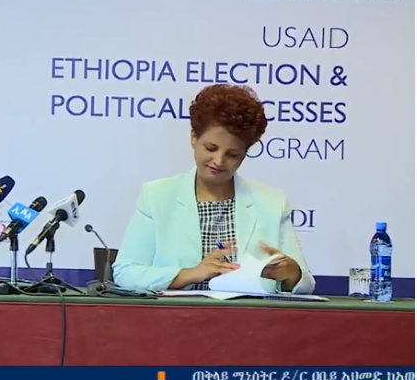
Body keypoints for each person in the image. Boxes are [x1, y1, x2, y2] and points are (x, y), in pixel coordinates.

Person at [112, 84, 315, 294]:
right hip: (176, 314)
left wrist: (292, 274)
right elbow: (126, 272)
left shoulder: (272, 202)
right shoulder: (157, 196)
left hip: (248, 314)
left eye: (232, 154)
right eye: (211, 148)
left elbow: (305, 284)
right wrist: (189, 274)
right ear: (194, 137)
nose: (219, 161)